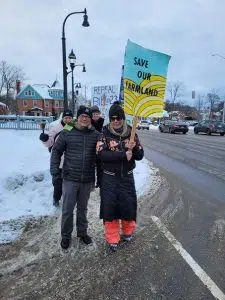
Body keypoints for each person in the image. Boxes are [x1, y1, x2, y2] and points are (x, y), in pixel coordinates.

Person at [96, 101, 144, 251]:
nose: (116, 121)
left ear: (123, 118)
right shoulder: (103, 133)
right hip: (109, 177)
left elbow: (140, 155)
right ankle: (112, 237)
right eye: (113, 118)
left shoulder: (132, 132)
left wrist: (134, 148)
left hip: (127, 177)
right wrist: (123, 151)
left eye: (119, 118)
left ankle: (128, 231)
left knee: (128, 205)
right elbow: (101, 154)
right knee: (110, 209)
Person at [50, 106, 99, 249]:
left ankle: (82, 232)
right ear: (77, 117)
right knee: (67, 209)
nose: (84, 119)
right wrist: (55, 171)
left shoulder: (95, 134)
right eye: (82, 116)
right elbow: (56, 151)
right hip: (70, 178)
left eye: (87, 117)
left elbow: (100, 156)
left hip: (87, 179)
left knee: (83, 209)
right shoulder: (67, 131)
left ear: (90, 119)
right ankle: (66, 236)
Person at [39, 109, 74, 207]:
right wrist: (45, 139)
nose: (67, 120)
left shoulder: (74, 127)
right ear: (62, 118)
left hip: (70, 159)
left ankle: (67, 200)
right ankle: (56, 199)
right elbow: (49, 143)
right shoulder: (55, 128)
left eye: (69, 118)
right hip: (58, 158)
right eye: (66, 118)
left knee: (68, 182)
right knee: (57, 182)